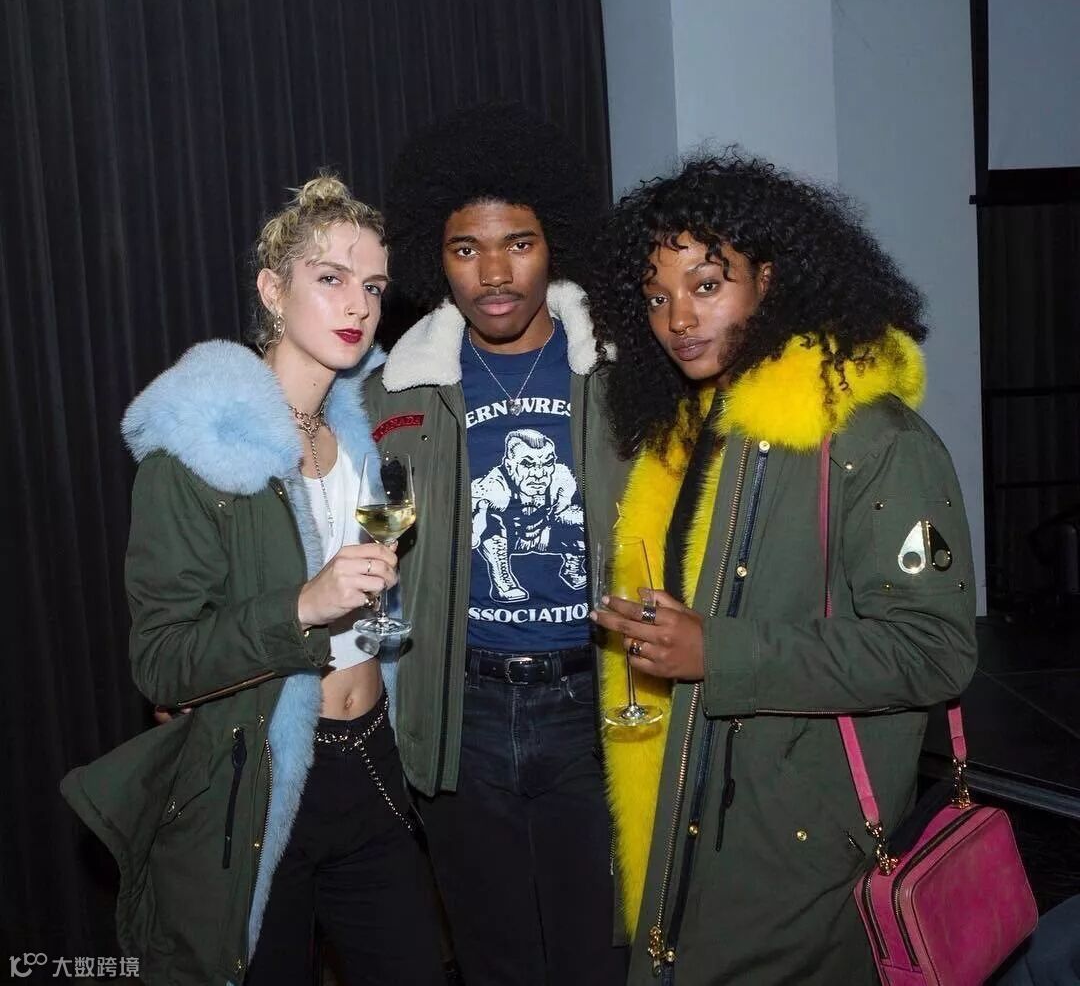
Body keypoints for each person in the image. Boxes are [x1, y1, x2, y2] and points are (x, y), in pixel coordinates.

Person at [586, 153, 979, 985]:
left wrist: (718, 653)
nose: (677, 318)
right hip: (689, 826)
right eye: (655, 297)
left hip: (806, 862)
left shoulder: (874, 439)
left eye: (706, 285)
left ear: (768, 278)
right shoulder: (691, 435)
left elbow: (936, 649)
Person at [61, 176, 445, 985]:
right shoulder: (200, 451)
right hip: (264, 785)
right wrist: (303, 605)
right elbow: (162, 661)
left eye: (374, 285)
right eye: (331, 277)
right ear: (273, 290)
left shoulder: (373, 423)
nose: (359, 304)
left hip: (374, 764)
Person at [363, 102, 627, 985]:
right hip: (461, 710)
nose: (495, 272)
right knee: (493, 959)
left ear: (554, 245)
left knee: (602, 956)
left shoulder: (623, 373)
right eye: (465, 249)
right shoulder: (397, 390)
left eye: (518, 242)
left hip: (599, 704)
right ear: (435, 259)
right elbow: (356, 540)